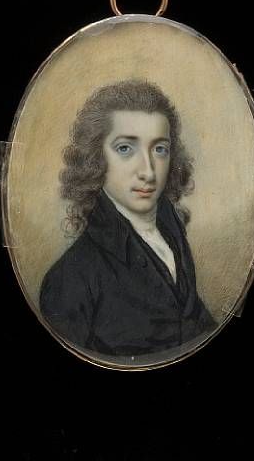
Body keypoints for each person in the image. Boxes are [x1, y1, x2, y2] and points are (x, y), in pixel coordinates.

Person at [39, 79, 216, 358]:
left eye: (159, 149)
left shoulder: (173, 236)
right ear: (96, 158)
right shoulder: (71, 277)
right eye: (125, 148)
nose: (148, 171)